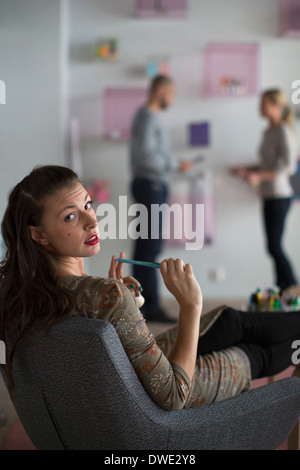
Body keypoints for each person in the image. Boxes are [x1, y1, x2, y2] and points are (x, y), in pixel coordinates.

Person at [1, 165, 300, 410]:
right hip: (146, 400)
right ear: (38, 235)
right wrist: (190, 305)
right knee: (250, 352)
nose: (92, 220)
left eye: (88, 205)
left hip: (125, 382)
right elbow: (172, 394)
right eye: (70, 216)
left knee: (232, 321)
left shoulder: (29, 292)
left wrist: (121, 305)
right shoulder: (104, 295)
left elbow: (101, 346)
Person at [129, 75, 194, 322]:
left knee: (147, 246)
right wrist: (175, 164)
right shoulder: (146, 117)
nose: (173, 98)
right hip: (151, 185)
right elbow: (147, 157)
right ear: (160, 90)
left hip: (152, 185)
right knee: (149, 247)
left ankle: (143, 304)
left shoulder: (147, 117)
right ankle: (150, 306)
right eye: (172, 93)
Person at [231, 89, 298, 292]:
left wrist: (258, 176)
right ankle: (281, 287)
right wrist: (246, 170)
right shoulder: (268, 132)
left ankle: (292, 285)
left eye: (263, 104)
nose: (259, 108)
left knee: (274, 246)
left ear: (276, 106)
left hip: (280, 195)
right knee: (271, 246)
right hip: (268, 195)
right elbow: (265, 163)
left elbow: (288, 166)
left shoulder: (284, 131)